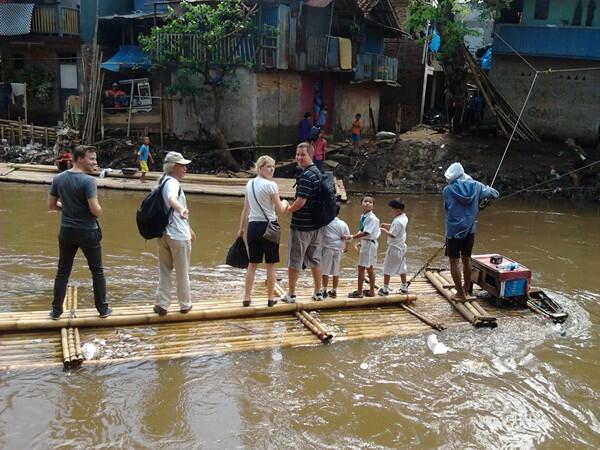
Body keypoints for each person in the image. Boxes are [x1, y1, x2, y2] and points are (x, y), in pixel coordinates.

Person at [47, 145, 111, 319]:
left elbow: (52, 206)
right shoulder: (88, 181)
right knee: (97, 271)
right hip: (88, 231)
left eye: (95, 159)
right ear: (79, 159)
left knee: (63, 271)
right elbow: (95, 210)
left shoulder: (58, 179)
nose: (95, 162)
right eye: (91, 159)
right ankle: (103, 309)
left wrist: (67, 209)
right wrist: (99, 209)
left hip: (66, 231)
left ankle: (56, 310)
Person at [238, 155, 289, 307]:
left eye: (273, 166)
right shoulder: (271, 185)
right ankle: (270, 299)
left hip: (253, 227)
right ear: (260, 168)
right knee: (271, 264)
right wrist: (286, 202)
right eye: (268, 166)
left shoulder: (249, 184)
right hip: (269, 226)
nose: (272, 169)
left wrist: (241, 229)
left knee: (252, 264)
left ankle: (247, 298)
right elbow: (280, 209)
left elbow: (245, 210)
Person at [443, 162, 499, 301]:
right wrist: (483, 197)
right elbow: (495, 194)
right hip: (470, 230)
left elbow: (448, 208)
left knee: (453, 261)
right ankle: (467, 290)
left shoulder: (448, 190)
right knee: (467, 259)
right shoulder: (476, 186)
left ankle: (460, 293)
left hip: (454, 231)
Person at [154, 151, 197, 316]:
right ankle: (185, 304)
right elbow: (173, 200)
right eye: (182, 166)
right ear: (173, 168)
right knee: (182, 271)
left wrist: (190, 228)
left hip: (164, 234)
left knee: (164, 270)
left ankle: (162, 304)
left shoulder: (162, 181)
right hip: (178, 236)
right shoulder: (172, 183)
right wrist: (181, 208)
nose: (185, 168)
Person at [281, 143, 323, 303]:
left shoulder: (306, 176)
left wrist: (287, 209)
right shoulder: (317, 173)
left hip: (302, 226)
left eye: (302, 155)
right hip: (316, 225)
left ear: (310, 155)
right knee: (315, 259)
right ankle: (318, 292)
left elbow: (301, 202)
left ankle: (291, 294)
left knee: (294, 260)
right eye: (297, 154)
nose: (298, 157)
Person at [348, 196, 380, 298]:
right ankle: (368, 291)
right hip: (366, 243)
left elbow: (366, 232)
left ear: (373, 206)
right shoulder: (363, 216)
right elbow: (362, 230)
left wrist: (352, 237)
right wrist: (358, 240)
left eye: (370, 202)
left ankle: (360, 292)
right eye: (365, 201)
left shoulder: (372, 218)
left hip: (369, 244)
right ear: (361, 204)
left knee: (364, 268)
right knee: (367, 267)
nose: (367, 203)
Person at [378, 199, 409, 296]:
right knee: (402, 267)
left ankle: (385, 289)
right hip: (401, 247)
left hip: (395, 248)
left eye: (391, 209)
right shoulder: (404, 218)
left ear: (398, 210)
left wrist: (383, 230)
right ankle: (404, 287)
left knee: (387, 267)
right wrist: (387, 225)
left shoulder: (398, 222)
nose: (390, 211)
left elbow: (393, 235)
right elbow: (398, 228)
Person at [320, 204, 350, 298]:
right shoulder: (343, 224)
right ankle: (334, 290)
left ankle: (324, 290)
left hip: (328, 248)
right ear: (338, 212)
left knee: (325, 270)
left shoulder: (325, 223)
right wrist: (346, 247)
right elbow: (347, 238)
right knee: (336, 270)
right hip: (338, 249)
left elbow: (320, 235)